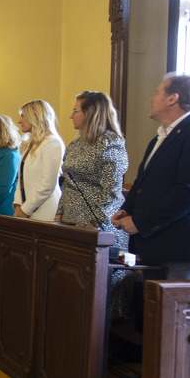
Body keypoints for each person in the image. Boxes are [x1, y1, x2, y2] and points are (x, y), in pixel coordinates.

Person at [112, 73, 190, 280]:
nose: (151, 99)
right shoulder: (161, 137)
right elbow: (143, 183)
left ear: (172, 98)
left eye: (156, 93)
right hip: (156, 245)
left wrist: (141, 222)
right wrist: (127, 210)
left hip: (184, 247)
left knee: (177, 312)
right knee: (152, 311)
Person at [55, 91, 131, 318]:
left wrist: (95, 222)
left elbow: (112, 191)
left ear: (91, 113)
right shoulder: (76, 144)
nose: (71, 116)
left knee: (99, 300)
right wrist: (60, 214)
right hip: (72, 222)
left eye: (75, 110)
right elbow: (68, 183)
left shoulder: (111, 142)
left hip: (98, 227)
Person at [13, 99, 64, 221]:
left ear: (35, 116)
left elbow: (47, 185)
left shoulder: (52, 142)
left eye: (23, 116)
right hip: (25, 211)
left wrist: (25, 209)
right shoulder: (31, 144)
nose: (19, 121)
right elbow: (21, 180)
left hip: (44, 212)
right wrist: (18, 205)